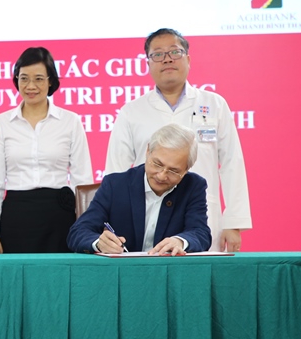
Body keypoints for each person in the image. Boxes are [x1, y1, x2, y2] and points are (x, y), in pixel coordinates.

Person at [104, 28, 251, 252]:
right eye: (158, 54)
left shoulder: (214, 104)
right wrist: (112, 224)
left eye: (174, 52)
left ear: (188, 59)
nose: (167, 59)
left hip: (201, 217)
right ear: (148, 63)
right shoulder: (131, 111)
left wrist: (234, 222)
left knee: (201, 271)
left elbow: (232, 163)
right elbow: (116, 171)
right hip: (147, 217)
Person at [0, 47, 93, 254]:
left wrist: (86, 231)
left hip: (60, 217)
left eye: (39, 79)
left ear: (50, 81)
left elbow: (83, 181)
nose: (30, 86)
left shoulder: (70, 121)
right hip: (16, 216)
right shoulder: (1, 123)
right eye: (24, 78)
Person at [68, 124, 211, 255]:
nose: (161, 176)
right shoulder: (115, 185)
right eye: (157, 164)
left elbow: (201, 233)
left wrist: (180, 241)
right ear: (148, 151)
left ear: (186, 169)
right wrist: (99, 243)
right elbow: (78, 232)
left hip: (169, 269)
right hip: (122, 269)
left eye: (173, 171)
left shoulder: (193, 186)